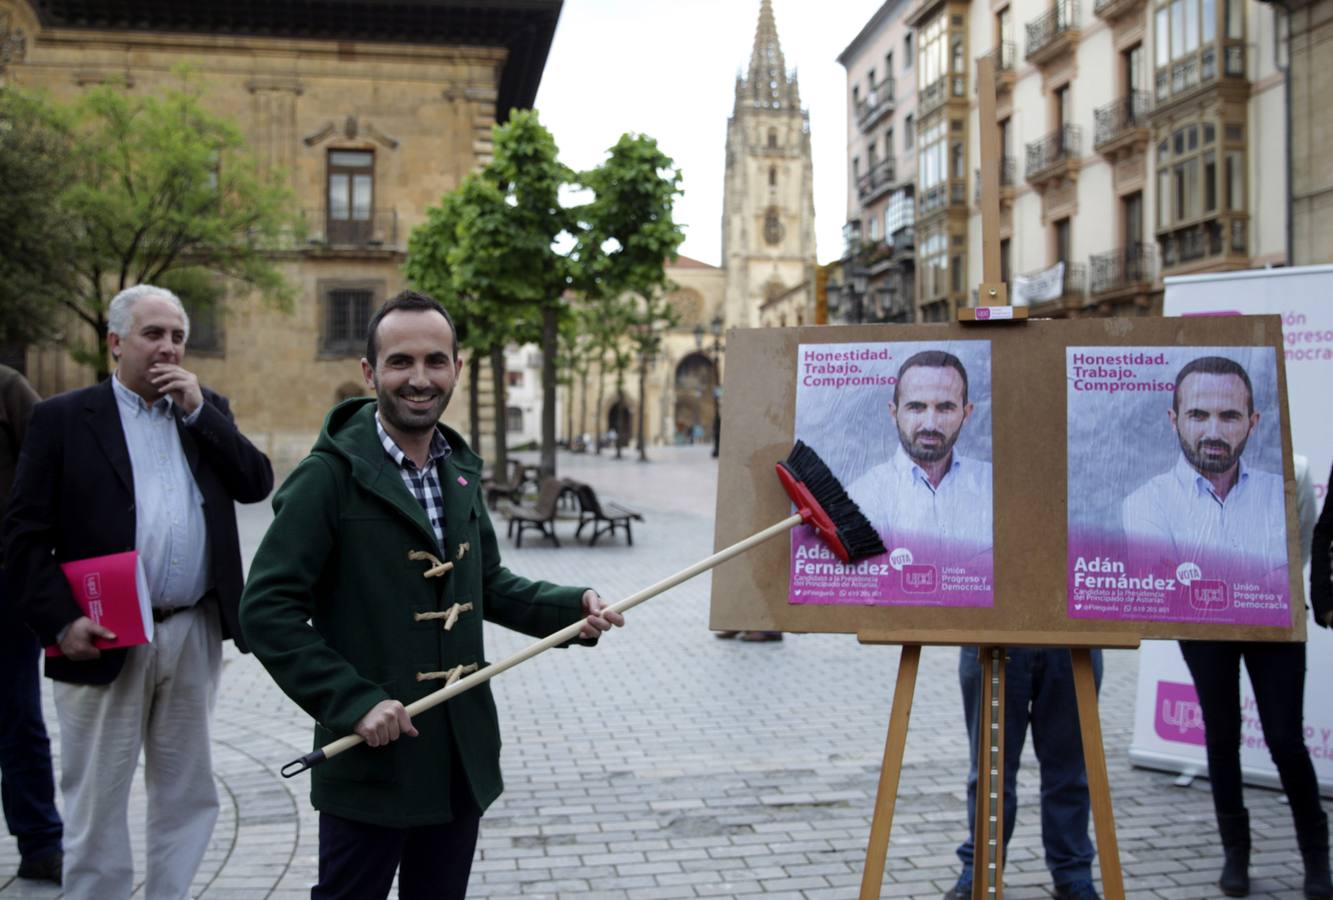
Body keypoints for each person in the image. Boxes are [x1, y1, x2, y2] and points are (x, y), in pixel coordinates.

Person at [239, 290, 624, 900]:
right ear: (370, 372)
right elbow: (264, 609)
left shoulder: (460, 471)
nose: (419, 379)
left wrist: (568, 607)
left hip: (457, 757)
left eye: (435, 361)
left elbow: (489, 584)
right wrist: (351, 701)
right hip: (372, 755)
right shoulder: (326, 479)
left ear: (457, 369)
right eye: (400, 362)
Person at [2, 285, 274, 899]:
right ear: (116, 342)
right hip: (101, 636)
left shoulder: (204, 410)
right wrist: (60, 621)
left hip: (192, 629)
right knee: (98, 798)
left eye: (177, 336)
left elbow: (257, 484)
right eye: (154, 334)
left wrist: (203, 414)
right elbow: (22, 536)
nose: (168, 347)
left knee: (187, 792)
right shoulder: (64, 418)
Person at [1177, 447, 1329, 899]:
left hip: (1272, 610)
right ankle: (1235, 853)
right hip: (1204, 618)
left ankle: (1316, 856)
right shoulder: (1181, 473)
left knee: (1285, 739)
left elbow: (1299, 538)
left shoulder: (1294, 468)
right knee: (1221, 736)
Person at [943, 647, 1104, 900]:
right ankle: (980, 867)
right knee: (989, 771)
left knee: (1069, 774)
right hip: (991, 635)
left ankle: (1072, 874)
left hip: (1073, 639)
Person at [1121, 356, 1286, 577]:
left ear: (1252, 423)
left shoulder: (1279, 493)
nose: (1214, 433)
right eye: (1198, 416)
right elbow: (1166, 596)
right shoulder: (1146, 503)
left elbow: (1289, 583)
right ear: (1174, 421)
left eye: (1229, 417)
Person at [0, 364, 63, 884]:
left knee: (17, 716)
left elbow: (49, 468)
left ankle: (40, 842)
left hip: (4, 586)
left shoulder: (6, 387)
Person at [847, 349, 993, 556]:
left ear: (966, 413)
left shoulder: (993, 485)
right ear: (894, 412)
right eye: (916, 407)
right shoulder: (862, 497)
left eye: (945, 408)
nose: (930, 424)